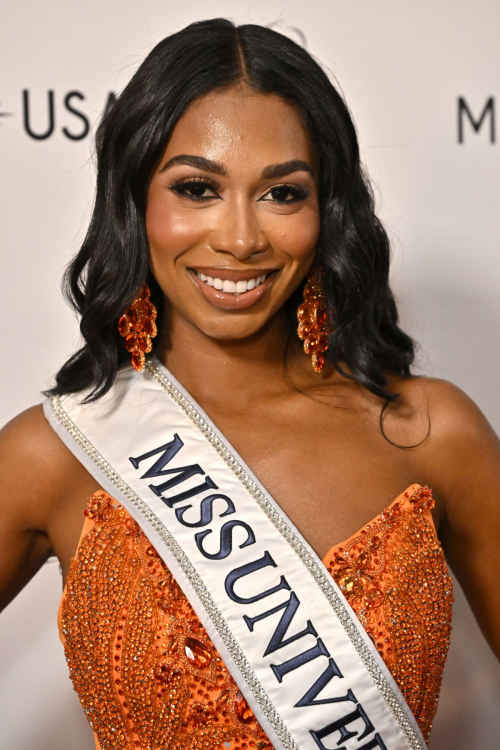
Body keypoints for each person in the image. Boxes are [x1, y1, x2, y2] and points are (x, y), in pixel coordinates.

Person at [1, 16, 499, 750]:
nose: (240, 238)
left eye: (282, 194)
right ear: (135, 202)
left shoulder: (431, 432)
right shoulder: (50, 455)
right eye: (198, 188)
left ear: (326, 210)